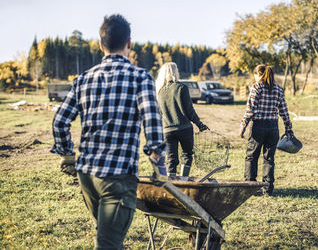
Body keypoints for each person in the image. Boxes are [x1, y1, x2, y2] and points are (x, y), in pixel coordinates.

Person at [51, 14, 167, 249]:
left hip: (87, 176)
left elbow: (60, 121)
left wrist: (67, 155)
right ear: (129, 43)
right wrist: (159, 166)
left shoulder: (83, 79)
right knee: (108, 243)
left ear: (101, 45)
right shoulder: (140, 77)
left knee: (107, 237)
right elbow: (152, 122)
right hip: (117, 177)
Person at [240, 64, 294, 195]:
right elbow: (284, 111)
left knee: (252, 157)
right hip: (273, 127)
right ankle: (267, 189)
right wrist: (288, 128)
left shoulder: (256, 87)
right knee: (269, 158)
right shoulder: (278, 89)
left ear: (258, 74)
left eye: (254, 74)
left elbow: (250, 110)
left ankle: (250, 187)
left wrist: (243, 125)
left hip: (258, 126)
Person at [156, 62, 208, 177]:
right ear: (175, 72)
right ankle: (184, 181)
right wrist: (199, 124)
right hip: (184, 128)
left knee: (171, 159)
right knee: (187, 155)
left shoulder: (159, 91)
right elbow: (189, 110)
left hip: (167, 130)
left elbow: (159, 114)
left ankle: (172, 185)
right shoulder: (182, 88)